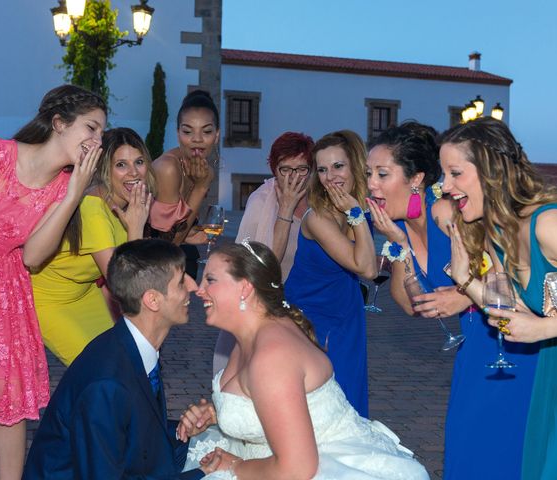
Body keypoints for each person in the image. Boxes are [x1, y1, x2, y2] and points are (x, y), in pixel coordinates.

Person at [439, 117, 557, 480]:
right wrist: (465, 279)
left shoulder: (549, 224)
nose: (444, 186)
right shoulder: (497, 231)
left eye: (454, 173)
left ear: (492, 170)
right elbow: (508, 315)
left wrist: (543, 329)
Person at [366, 121, 539, 480]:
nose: (371, 184)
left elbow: (512, 269)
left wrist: (464, 297)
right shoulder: (401, 231)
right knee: (466, 452)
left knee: (506, 453)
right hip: (475, 352)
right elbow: (411, 303)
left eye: (382, 174)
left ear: (416, 179)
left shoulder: (448, 213)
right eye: (368, 174)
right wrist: (399, 244)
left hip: (511, 349)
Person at [180, 240, 429, 479]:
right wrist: (218, 413)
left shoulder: (272, 356)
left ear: (245, 288)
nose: (198, 289)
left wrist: (235, 466)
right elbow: (263, 401)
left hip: (314, 468)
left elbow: (297, 470)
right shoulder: (253, 333)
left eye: (210, 280)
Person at [0, 84, 105, 479]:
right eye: (91, 128)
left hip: (3, 291)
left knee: (6, 400)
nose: (97, 141)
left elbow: (32, 256)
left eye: (101, 134)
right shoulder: (0, 153)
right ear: (59, 123)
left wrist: (74, 194)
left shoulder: (65, 188)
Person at [24, 239, 216, 479]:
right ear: (152, 300)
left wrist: (182, 430)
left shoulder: (131, 344)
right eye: (181, 282)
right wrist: (201, 475)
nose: (192, 285)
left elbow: (133, 428)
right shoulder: (106, 383)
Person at [32, 127, 154, 366]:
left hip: (84, 292)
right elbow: (123, 284)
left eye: (139, 162)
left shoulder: (130, 205)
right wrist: (137, 228)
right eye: (121, 164)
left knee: (122, 361)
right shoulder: (93, 208)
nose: (133, 172)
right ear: (104, 169)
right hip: (48, 300)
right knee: (98, 368)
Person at [284, 130, 377, 417]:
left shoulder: (357, 208)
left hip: (346, 316)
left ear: (355, 167)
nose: (330, 176)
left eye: (338, 166)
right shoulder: (318, 217)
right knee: (321, 408)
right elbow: (367, 268)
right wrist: (357, 213)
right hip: (311, 323)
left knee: (347, 401)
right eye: (322, 169)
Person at [212, 131, 315, 374]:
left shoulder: (319, 201)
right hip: (267, 303)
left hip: (309, 303)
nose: (293, 177)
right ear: (274, 170)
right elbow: (264, 265)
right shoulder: (261, 200)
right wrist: (286, 210)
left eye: (301, 169)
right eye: (285, 169)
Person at [150, 89, 219, 275]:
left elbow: (182, 225)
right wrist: (201, 187)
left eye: (206, 131)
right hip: (154, 265)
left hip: (179, 260)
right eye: (188, 131)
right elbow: (169, 243)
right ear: (178, 133)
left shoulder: (205, 169)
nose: (197, 139)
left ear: (217, 135)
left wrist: (191, 233)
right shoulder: (168, 168)